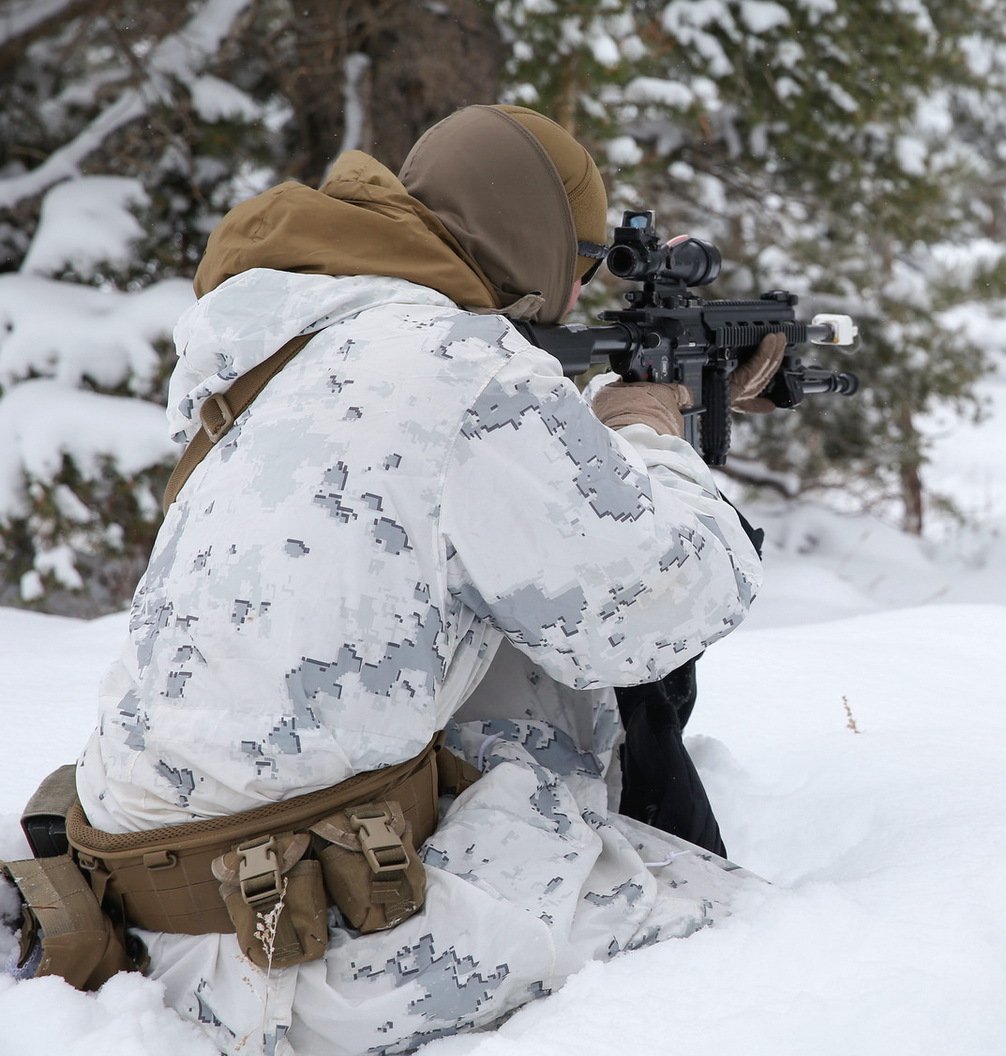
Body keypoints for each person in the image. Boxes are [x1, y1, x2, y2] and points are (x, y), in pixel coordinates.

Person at [65, 104, 768, 1054]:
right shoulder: (464, 366)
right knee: (755, 940)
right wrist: (649, 434)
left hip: (144, 920)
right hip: (294, 958)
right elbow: (664, 603)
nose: (579, 289)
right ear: (529, 237)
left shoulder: (278, 347)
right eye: (584, 260)